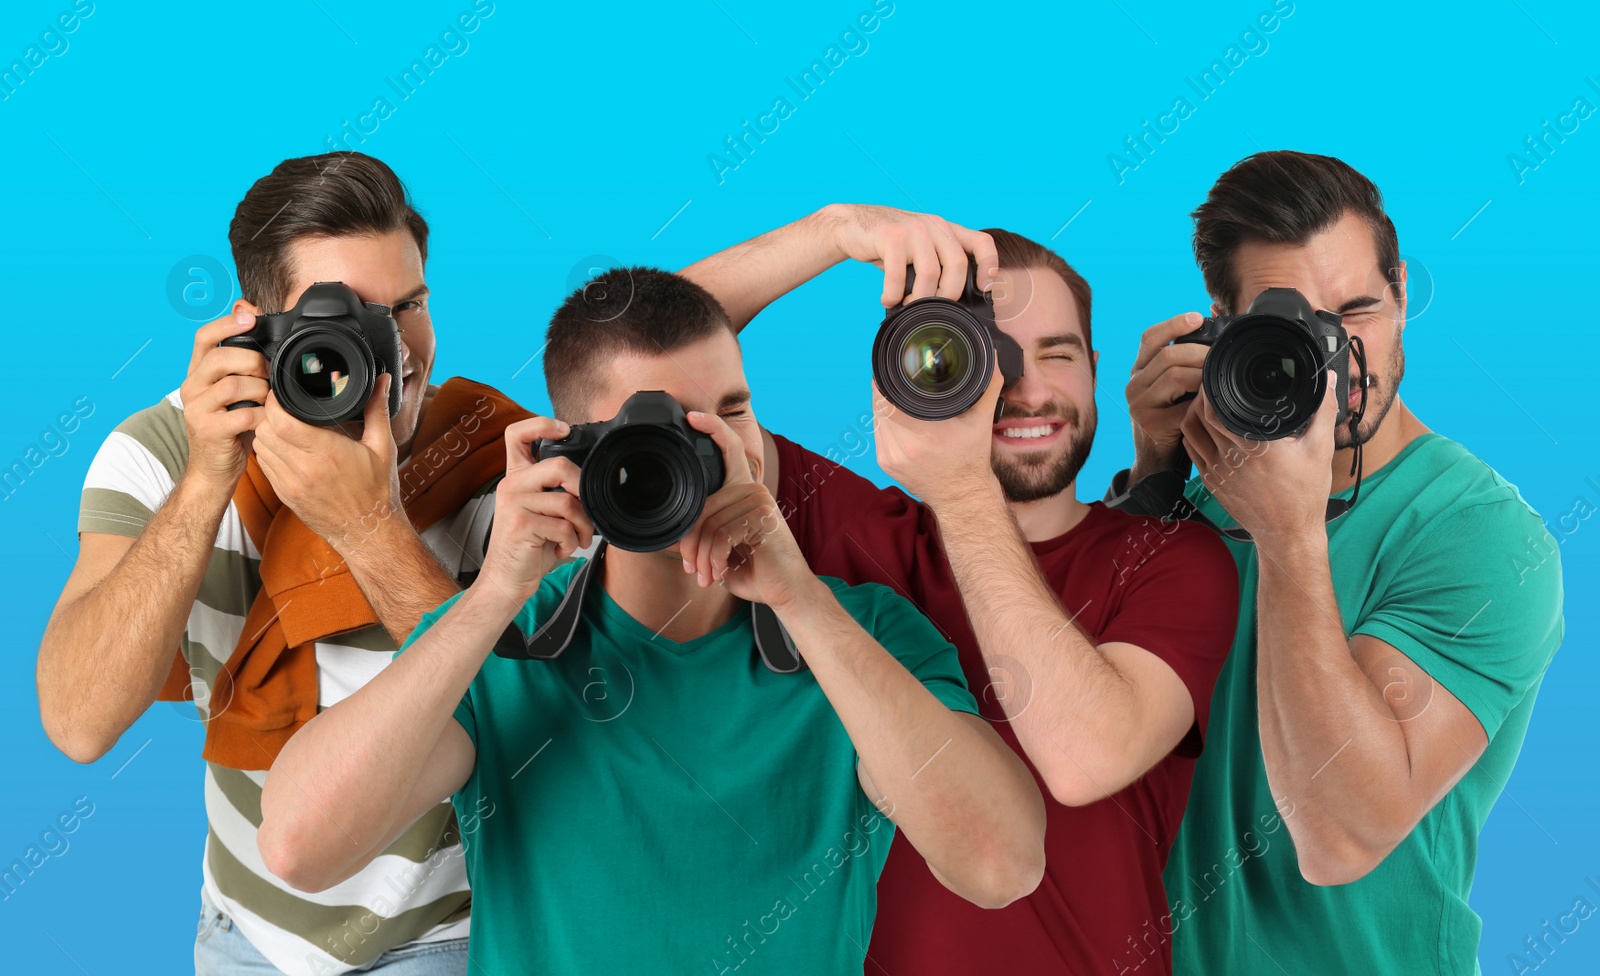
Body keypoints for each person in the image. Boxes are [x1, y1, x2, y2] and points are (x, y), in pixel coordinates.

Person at [258, 268, 1048, 974]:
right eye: (661, 432)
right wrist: (496, 590)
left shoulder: (862, 632)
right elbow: (299, 845)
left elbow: (1001, 865)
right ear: (576, 456)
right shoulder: (505, 644)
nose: (710, 456)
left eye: (730, 413)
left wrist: (800, 598)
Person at [681, 206, 1241, 974]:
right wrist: (835, 232)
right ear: (919, 375)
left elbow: (1084, 760)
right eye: (990, 357)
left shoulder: (1172, 559)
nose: (1029, 389)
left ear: (1096, 369)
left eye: (1059, 354)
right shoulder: (858, 533)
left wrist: (962, 491)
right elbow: (638, 375)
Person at [37, 151, 530, 975]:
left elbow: (532, 719)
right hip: (241, 934)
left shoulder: (484, 454)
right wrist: (205, 483)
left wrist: (371, 527)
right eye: (349, 317)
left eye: (409, 307)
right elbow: (80, 723)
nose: (394, 354)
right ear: (254, 328)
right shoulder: (162, 452)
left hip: (447, 930)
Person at [1117, 150, 1564, 973]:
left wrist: (1289, 536)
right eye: (1293, 328)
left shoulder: (1483, 538)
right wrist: (1152, 474)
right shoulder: (1196, 477)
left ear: (1402, 294)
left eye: (1356, 310)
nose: (1335, 359)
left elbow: (1340, 836)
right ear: (1223, 322)